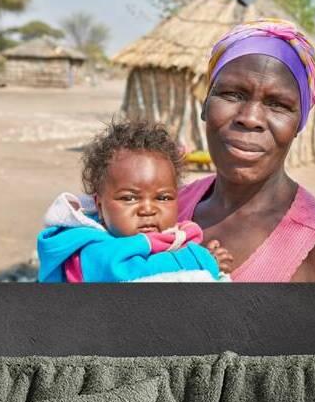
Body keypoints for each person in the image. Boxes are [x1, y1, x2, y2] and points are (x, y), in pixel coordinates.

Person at [178, 19, 315, 282]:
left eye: (278, 104)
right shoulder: (167, 207)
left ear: (299, 124)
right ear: (205, 105)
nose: (250, 118)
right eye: (232, 94)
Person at [37, 120, 233, 282]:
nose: (148, 209)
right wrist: (200, 261)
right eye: (129, 198)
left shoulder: (172, 235)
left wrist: (204, 254)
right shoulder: (92, 249)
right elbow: (131, 272)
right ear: (99, 205)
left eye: (163, 198)